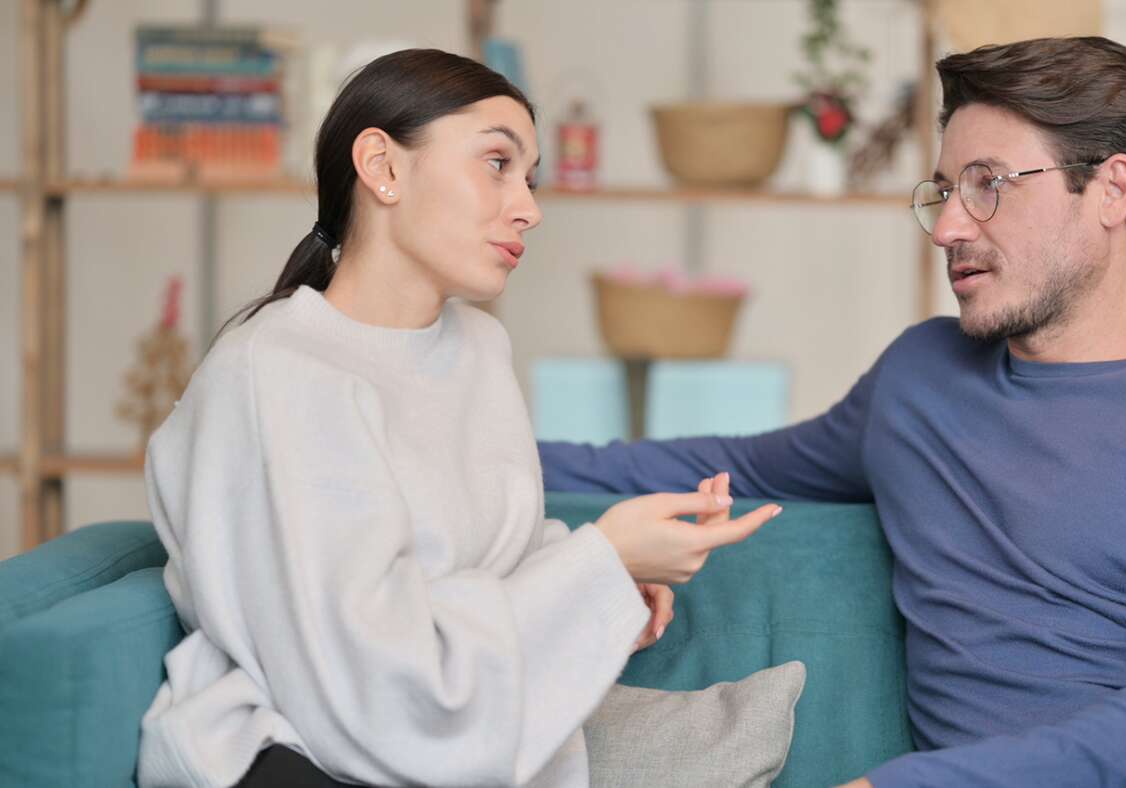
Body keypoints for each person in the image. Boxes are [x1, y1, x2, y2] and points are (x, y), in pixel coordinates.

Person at [539, 37, 1126, 787]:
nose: (946, 228)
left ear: (1113, 189)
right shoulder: (923, 380)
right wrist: (460, 450)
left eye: (989, 186)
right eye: (943, 189)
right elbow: (720, 467)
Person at [137, 49, 782, 788]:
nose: (530, 207)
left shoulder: (478, 349)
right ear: (382, 166)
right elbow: (371, 683)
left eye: (530, 178)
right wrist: (599, 563)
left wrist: (607, 588)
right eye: (498, 164)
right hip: (304, 763)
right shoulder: (276, 373)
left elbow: (495, 563)